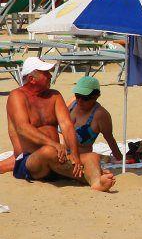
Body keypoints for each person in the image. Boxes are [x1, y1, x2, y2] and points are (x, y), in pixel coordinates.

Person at [2, 58, 115, 191]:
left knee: (92, 156)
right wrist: (54, 144)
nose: (50, 76)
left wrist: (74, 154)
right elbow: (23, 129)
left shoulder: (54, 96)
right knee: (49, 151)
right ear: (32, 79)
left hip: (58, 156)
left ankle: (97, 182)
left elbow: (67, 126)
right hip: (29, 159)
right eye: (46, 73)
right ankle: (88, 177)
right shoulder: (17, 96)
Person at [67, 76, 123, 161]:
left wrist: (120, 159)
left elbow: (110, 139)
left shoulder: (100, 115)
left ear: (96, 96)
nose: (79, 101)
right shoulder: (72, 103)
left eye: (85, 98)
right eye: (77, 96)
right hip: (59, 154)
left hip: (80, 158)